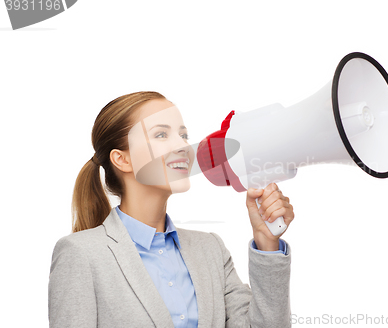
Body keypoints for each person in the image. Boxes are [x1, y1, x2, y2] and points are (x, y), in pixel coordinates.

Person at [48, 91, 294, 328]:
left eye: (184, 135)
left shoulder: (211, 250)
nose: (184, 146)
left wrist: (266, 244)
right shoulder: (80, 254)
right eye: (161, 135)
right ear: (122, 159)